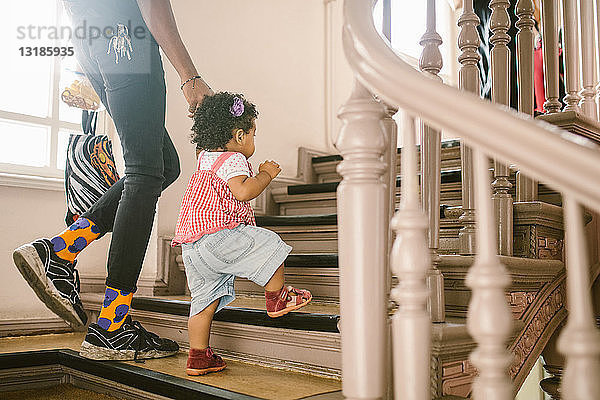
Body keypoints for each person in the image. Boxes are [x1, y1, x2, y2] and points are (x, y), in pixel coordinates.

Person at [12, 0, 211, 361]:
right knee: (146, 172)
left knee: (163, 165)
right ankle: (111, 324)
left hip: (96, 40)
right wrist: (190, 76)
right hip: (125, 38)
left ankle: (61, 250)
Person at [171, 92, 312, 376]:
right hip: (218, 235)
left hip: (192, 246)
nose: (253, 142)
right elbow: (245, 191)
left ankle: (198, 356)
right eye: (252, 135)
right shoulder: (233, 158)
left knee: (202, 300)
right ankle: (277, 297)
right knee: (269, 243)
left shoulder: (204, 159)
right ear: (238, 136)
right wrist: (266, 174)